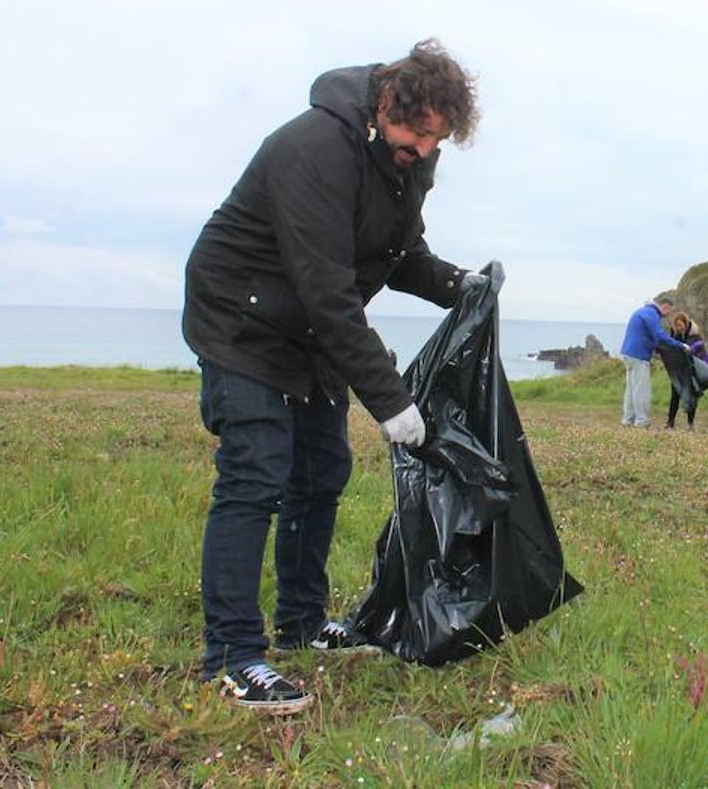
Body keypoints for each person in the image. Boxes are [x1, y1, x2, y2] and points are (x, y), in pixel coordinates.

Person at [182, 39, 490, 714]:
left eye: (437, 140)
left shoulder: (407, 159)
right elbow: (327, 290)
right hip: (241, 315)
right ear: (386, 103)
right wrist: (391, 401)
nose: (424, 151)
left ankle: (300, 624)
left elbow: (396, 252)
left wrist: (456, 285)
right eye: (417, 134)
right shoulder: (314, 148)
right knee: (255, 474)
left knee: (322, 472)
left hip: (308, 325)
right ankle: (231, 656)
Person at [619, 294, 692, 428]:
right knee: (641, 389)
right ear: (665, 306)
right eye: (669, 311)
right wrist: (681, 345)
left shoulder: (642, 312)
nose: (668, 314)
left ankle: (627, 419)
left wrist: (656, 347)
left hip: (628, 353)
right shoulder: (651, 314)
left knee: (631, 389)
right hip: (639, 355)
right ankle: (641, 421)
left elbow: (651, 336)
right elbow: (659, 334)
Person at [665, 311, 708, 429]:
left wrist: (692, 351)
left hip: (691, 370)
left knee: (692, 397)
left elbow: (701, 353)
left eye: (680, 325)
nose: (678, 328)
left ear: (686, 324)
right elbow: (669, 349)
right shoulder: (674, 335)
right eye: (676, 325)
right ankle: (670, 422)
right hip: (678, 370)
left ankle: (690, 423)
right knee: (675, 396)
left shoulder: (695, 336)